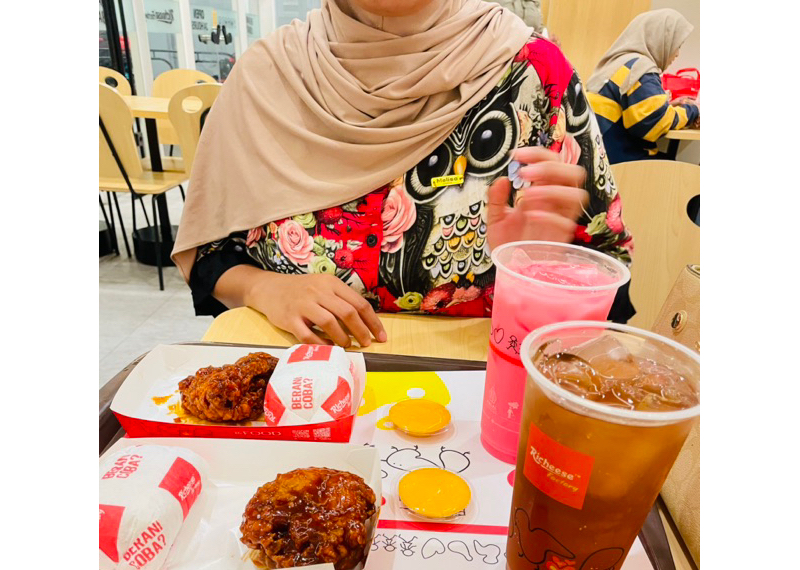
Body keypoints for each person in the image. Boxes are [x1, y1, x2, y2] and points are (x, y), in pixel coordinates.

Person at [173, 0, 634, 348]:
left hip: (478, 395)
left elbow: (607, 273)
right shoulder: (263, 76)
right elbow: (212, 249)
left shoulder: (534, 74)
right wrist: (264, 287)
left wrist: (536, 267)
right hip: (298, 390)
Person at [586, 9, 699, 164]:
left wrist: (667, 107)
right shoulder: (641, 69)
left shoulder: (618, 63)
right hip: (620, 164)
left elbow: (637, 112)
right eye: (677, 46)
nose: (677, 54)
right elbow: (654, 123)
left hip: (598, 158)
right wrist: (693, 110)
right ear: (661, 40)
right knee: (693, 173)